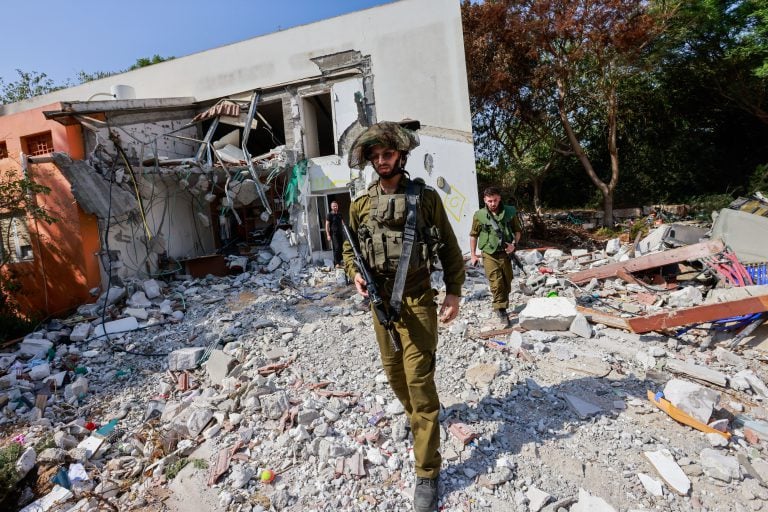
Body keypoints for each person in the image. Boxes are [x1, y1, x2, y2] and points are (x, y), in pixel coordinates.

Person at [343, 121, 465, 512]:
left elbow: (449, 248)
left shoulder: (425, 199)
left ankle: (427, 471)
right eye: (375, 156)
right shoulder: (361, 204)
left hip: (416, 301)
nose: (382, 161)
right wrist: (355, 276)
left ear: (401, 156)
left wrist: (454, 293)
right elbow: (350, 250)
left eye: (388, 154)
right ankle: (420, 425)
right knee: (394, 374)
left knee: (419, 381)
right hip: (382, 305)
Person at [469, 187, 523, 327]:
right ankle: (501, 310)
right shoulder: (479, 215)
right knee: (496, 282)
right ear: (485, 201)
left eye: (495, 200)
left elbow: (517, 231)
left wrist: (514, 245)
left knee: (507, 280)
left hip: (506, 253)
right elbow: (473, 235)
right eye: (489, 201)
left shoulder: (510, 212)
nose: (493, 203)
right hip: (489, 253)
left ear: (499, 198)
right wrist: (473, 254)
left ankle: (502, 304)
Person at [325, 200, 345, 267]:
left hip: (340, 233)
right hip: (334, 234)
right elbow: (327, 225)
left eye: (336, 206)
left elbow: (342, 223)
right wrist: (328, 235)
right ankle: (336, 263)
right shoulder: (329, 215)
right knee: (336, 248)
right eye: (334, 206)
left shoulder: (340, 214)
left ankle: (341, 261)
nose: (335, 207)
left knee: (341, 247)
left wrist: (344, 230)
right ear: (331, 207)